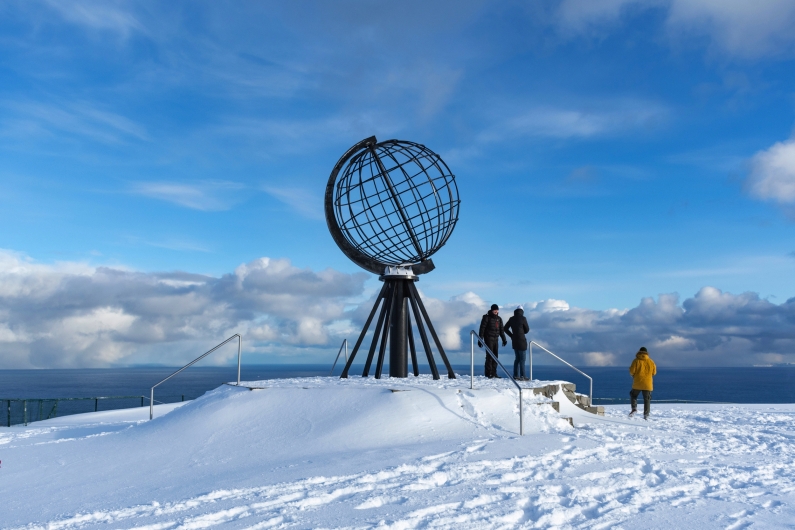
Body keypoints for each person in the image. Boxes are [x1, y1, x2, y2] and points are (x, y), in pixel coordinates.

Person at [479, 304, 507, 378]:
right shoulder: (486, 317)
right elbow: (482, 328)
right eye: (495, 310)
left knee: (495, 356)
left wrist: (504, 339)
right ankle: (488, 373)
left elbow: (501, 330)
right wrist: (480, 339)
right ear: (492, 310)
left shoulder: (499, 319)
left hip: (496, 339)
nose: (496, 311)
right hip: (488, 338)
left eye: (497, 310)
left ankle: (494, 373)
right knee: (490, 356)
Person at [629, 346, 657, 419]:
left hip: (637, 382)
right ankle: (646, 414)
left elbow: (632, 371)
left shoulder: (636, 361)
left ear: (639, 352)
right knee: (647, 399)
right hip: (647, 384)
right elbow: (654, 372)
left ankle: (634, 408)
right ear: (647, 353)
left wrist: (634, 375)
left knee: (633, 395)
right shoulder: (651, 361)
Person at [504, 305, 530, 381]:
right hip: (522, 340)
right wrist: (522, 332)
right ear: (522, 311)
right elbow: (527, 330)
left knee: (517, 359)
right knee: (522, 359)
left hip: (514, 340)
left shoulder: (511, 319)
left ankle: (516, 375)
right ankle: (523, 376)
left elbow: (505, 328)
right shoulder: (523, 318)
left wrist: (512, 335)